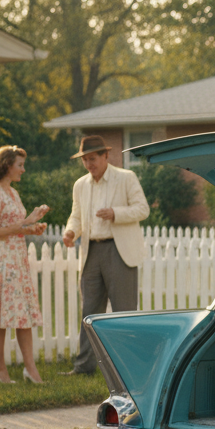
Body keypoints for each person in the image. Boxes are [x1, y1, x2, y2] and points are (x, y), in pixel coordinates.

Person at [61, 135, 150, 375]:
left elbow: (143, 209)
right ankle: (84, 366)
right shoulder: (80, 185)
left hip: (119, 250)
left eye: (93, 158)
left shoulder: (126, 178)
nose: (89, 164)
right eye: (85, 160)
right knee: (89, 311)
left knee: (124, 310)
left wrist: (115, 213)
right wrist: (70, 231)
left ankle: (128, 368)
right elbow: (76, 215)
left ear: (105, 156)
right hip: (91, 251)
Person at [0, 146, 49, 384]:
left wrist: (31, 229)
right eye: (20, 165)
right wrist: (25, 223)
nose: (23, 170)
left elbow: (16, 226)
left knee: (22, 315)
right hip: (1, 261)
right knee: (1, 318)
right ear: (7, 165)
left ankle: (31, 370)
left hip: (17, 258)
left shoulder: (13, 194)